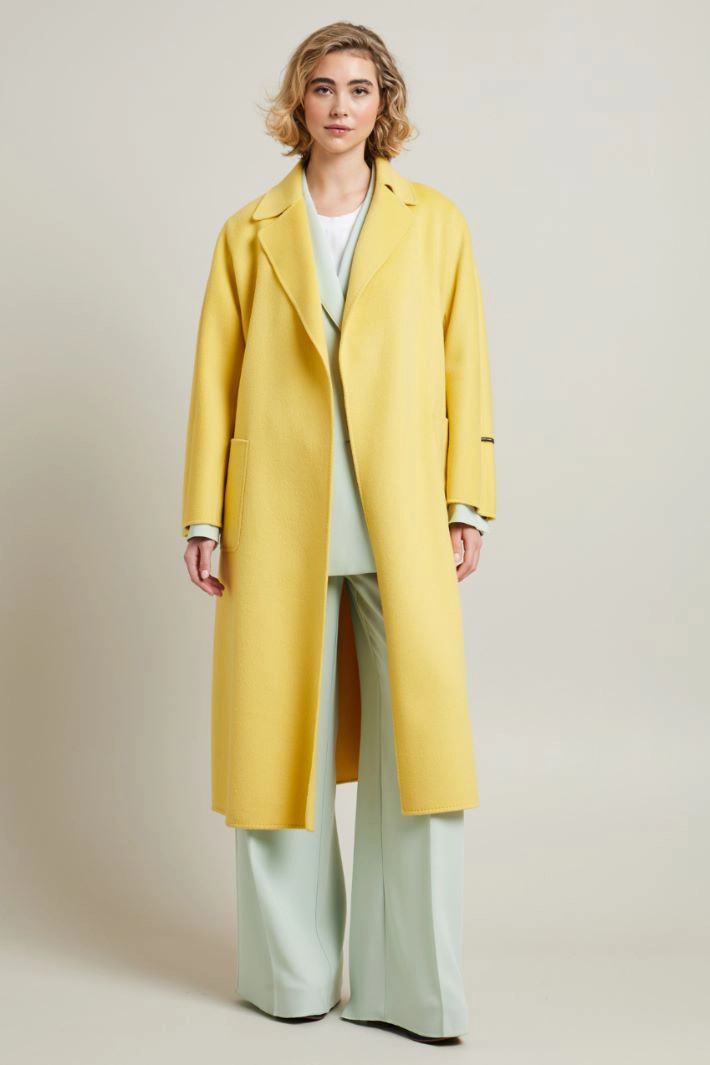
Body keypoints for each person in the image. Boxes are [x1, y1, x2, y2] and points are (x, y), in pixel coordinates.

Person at [181, 21, 496, 1045]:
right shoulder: (246, 232)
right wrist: (203, 514)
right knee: (278, 752)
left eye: (360, 87)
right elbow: (215, 382)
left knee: (422, 757)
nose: (340, 105)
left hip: (400, 516)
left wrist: (465, 499)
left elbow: (464, 365)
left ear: (384, 104)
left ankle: (413, 989)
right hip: (276, 519)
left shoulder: (435, 224)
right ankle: (290, 978)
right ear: (298, 102)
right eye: (322, 87)